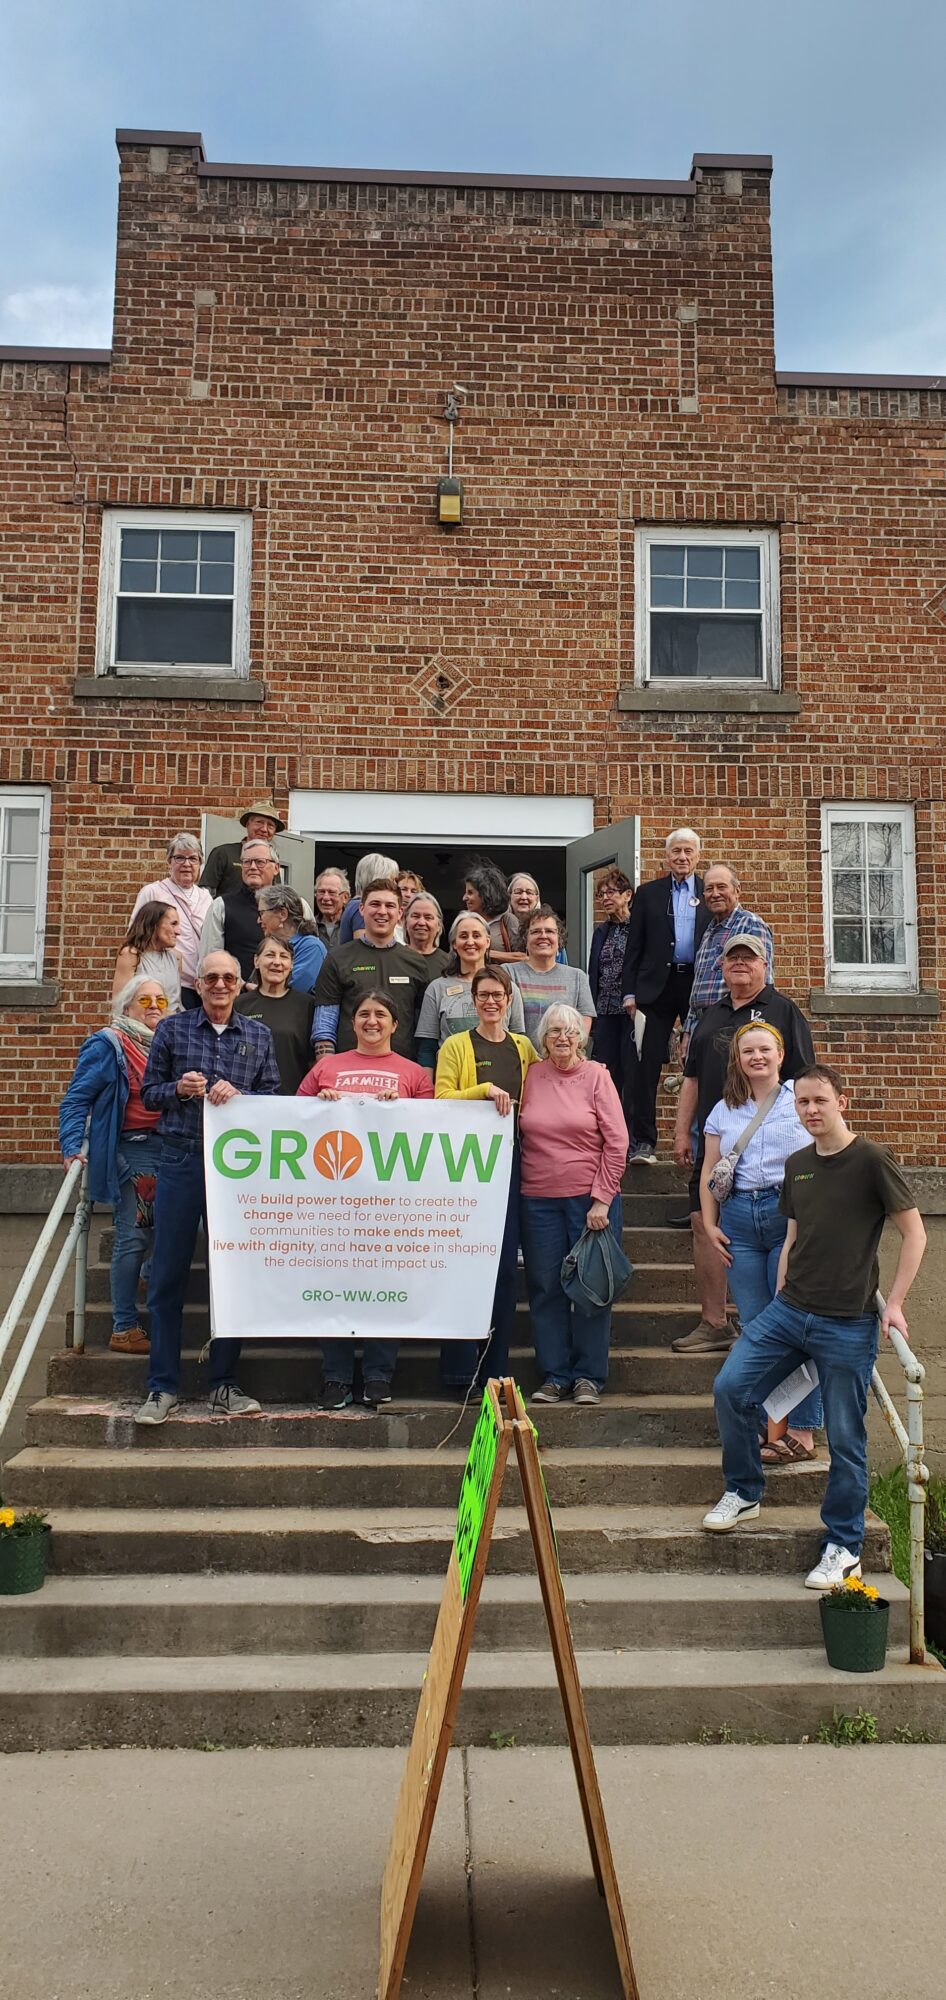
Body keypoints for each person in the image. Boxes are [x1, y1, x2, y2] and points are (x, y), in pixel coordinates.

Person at [704, 1063, 927, 1592]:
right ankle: (745, 1491)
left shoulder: (871, 1160)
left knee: (847, 1438)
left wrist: (893, 1304)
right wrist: (781, 1290)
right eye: (802, 1102)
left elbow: (915, 1235)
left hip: (847, 1321)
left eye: (819, 1101)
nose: (810, 1111)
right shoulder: (799, 1164)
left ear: (841, 1101)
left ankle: (844, 1544)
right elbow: (794, 1236)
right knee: (730, 1388)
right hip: (790, 1310)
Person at [134, 950, 281, 1426]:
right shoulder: (173, 1030)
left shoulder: (258, 1035)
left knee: (232, 1276)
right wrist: (178, 1088)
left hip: (235, 1171)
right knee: (168, 1277)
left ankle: (223, 1383)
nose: (220, 985)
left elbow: (273, 1100)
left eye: (228, 978)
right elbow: (149, 1093)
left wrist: (243, 1097)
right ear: (198, 984)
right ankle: (161, 1387)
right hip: (179, 1160)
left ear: (241, 985)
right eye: (211, 978)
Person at [672, 934, 816, 1355]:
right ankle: (714, 1321)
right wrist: (683, 1132)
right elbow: (693, 1078)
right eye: (732, 958)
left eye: (748, 958)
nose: (740, 964)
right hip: (720, 1145)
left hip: (771, 1159)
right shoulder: (709, 1016)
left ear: (764, 966)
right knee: (704, 1221)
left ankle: (772, 1337)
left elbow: (806, 1080)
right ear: (720, 967)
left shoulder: (784, 1011)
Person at [297, 991, 433, 1411]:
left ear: (395, 1025)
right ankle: (336, 1377)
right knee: (333, 1287)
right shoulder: (326, 1068)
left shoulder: (414, 1075)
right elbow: (290, 1122)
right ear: (351, 1024)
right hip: (331, 1204)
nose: (371, 1021)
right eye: (363, 1015)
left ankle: (377, 1374)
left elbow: (432, 1134)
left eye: (380, 1015)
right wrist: (318, 1109)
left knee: (384, 1286)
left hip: (389, 1204)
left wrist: (404, 1111)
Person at [700, 1022, 822, 1459]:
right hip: (739, 1222)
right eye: (748, 1050)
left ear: (780, 1054)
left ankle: (802, 1430)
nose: (757, 1057)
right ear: (738, 1059)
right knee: (756, 1329)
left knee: (795, 1324)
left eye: (764, 1049)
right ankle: (761, 1426)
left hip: (787, 1216)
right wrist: (711, 1223)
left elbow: (825, 1156)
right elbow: (710, 1171)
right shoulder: (723, 1109)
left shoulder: (799, 1100)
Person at [435, 965, 538, 1390]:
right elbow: (441, 1099)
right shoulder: (456, 1045)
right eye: (483, 995)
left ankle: (495, 1371)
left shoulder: (525, 1047)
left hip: (512, 1165)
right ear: (473, 1001)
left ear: (509, 1000)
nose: (491, 1002)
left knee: (503, 1273)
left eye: (498, 995)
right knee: (463, 1264)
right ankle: (459, 1373)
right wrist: (483, 1090)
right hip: (466, 1169)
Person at [519, 1004, 627, 1406]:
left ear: (581, 1038)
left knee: (591, 1288)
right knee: (545, 1288)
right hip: (537, 1200)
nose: (561, 1038)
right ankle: (555, 1374)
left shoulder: (597, 1077)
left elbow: (617, 1142)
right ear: (543, 1038)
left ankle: (588, 1376)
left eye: (569, 1032)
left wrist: (602, 1198)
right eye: (553, 1032)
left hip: (589, 1202)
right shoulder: (530, 1076)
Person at [59, 973, 173, 1356]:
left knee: (174, 1228)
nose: (155, 1007)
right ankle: (123, 1325)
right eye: (145, 1000)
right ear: (126, 1007)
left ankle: (145, 1275)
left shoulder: (169, 1044)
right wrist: (72, 1146)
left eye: (161, 1000)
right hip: (133, 1149)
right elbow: (77, 1099)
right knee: (135, 1235)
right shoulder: (110, 1044)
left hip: (170, 1148)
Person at [620, 827, 711, 1164]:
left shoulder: (709, 891)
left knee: (701, 1062)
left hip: (696, 987)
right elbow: (635, 946)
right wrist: (629, 992)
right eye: (676, 852)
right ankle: (643, 1143)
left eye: (688, 851)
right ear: (666, 856)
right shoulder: (648, 893)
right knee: (643, 1065)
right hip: (653, 988)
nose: (682, 857)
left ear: (697, 856)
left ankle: (699, 1141)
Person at [311, 880, 431, 1060]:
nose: (382, 911)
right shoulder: (337, 959)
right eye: (375, 904)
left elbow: (424, 1029)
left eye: (389, 905)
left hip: (401, 1071)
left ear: (400, 913)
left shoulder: (416, 962)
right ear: (361, 909)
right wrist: (328, 1068)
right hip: (348, 1071)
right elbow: (324, 1027)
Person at [681, 863, 774, 1055]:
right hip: (701, 1024)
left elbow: (762, 981)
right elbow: (697, 987)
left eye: (721, 887)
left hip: (732, 1025)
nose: (715, 893)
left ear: (737, 890)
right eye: (709, 889)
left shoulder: (750, 924)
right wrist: (688, 1031)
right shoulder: (709, 930)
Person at [416, 911, 526, 1067]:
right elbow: (427, 1049)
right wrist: (427, 1089)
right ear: (454, 943)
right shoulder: (436, 989)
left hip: (500, 1078)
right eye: (463, 936)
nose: (470, 941)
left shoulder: (508, 987)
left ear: (487, 942)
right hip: (452, 1083)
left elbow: (519, 1042)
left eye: (476, 935)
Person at [130, 832, 212, 1010]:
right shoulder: (153, 892)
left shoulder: (206, 898)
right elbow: (135, 936)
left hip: (201, 986)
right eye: (179, 858)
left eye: (193, 859)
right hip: (165, 984)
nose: (187, 864)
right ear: (169, 861)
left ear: (200, 863)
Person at [235, 936, 316, 1093]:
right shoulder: (240, 1004)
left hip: (294, 1099)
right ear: (256, 961)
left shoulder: (307, 1005)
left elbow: (312, 1061)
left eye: (284, 956)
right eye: (270, 955)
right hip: (249, 1099)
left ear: (291, 965)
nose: (277, 962)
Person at [510, 905, 595, 1052]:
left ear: (559, 939)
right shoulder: (508, 973)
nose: (543, 936)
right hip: (520, 1063)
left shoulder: (577, 977)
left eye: (549, 931)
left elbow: (584, 1022)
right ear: (525, 939)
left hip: (563, 1064)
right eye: (535, 931)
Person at [588, 868, 635, 1126]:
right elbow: (593, 972)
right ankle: (609, 1129)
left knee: (632, 1075)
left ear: (627, 895)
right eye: (601, 894)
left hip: (631, 1012)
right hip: (604, 1011)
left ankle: (631, 1136)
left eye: (611, 892)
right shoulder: (601, 931)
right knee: (606, 1075)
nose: (605, 897)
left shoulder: (639, 927)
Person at [199, 839, 280, 979]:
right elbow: (210, 961)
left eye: (260, 862)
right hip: (236, 997)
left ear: (276, 868)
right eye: (247, 862)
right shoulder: (221, 906)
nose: (252, 867)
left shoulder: (294, 906)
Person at [200, 798, 285, 898]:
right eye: (259, 822)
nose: (264, 829)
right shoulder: (223, 853)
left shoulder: (272, 861)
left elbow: (277, 897)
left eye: (270, 825)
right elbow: (205, 896)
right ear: (248, 824)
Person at [112, 902, 183, 1012]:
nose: (178, 932)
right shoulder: (131, 955)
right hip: (140, 1025)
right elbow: (120, 1004)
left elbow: (176, 1002)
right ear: (154, 924)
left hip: (172, 1025)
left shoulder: (176, 957)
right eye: (173, 924)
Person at [254, 885, 327, 992]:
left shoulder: (311, 947)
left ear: (283, 914)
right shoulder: (268, 945)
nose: (259, 920)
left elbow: (293, 991)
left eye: (261, 913)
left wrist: (250, 988)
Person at [337, 853, 400, 945]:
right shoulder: (360, 908)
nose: (395, 884)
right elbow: (365, 951)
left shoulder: (354, 904)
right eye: (392, 879)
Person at [403, 891, 451, 977]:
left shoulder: (450, 964)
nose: (421, 922)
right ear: (406, 922)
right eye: (415, 916)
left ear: (439, 925)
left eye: (428, 917)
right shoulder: (394, 959)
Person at [462, 858, 508, 927]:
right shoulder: (464, 923)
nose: (464, 898)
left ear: (485, 894)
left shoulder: (506, 921)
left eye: (470, 892)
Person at [313, 867, 351, 950]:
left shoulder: (353, 926)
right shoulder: (309, 927)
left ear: (345, 897)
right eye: (321, 892)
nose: (326, 898)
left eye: (332, 892)